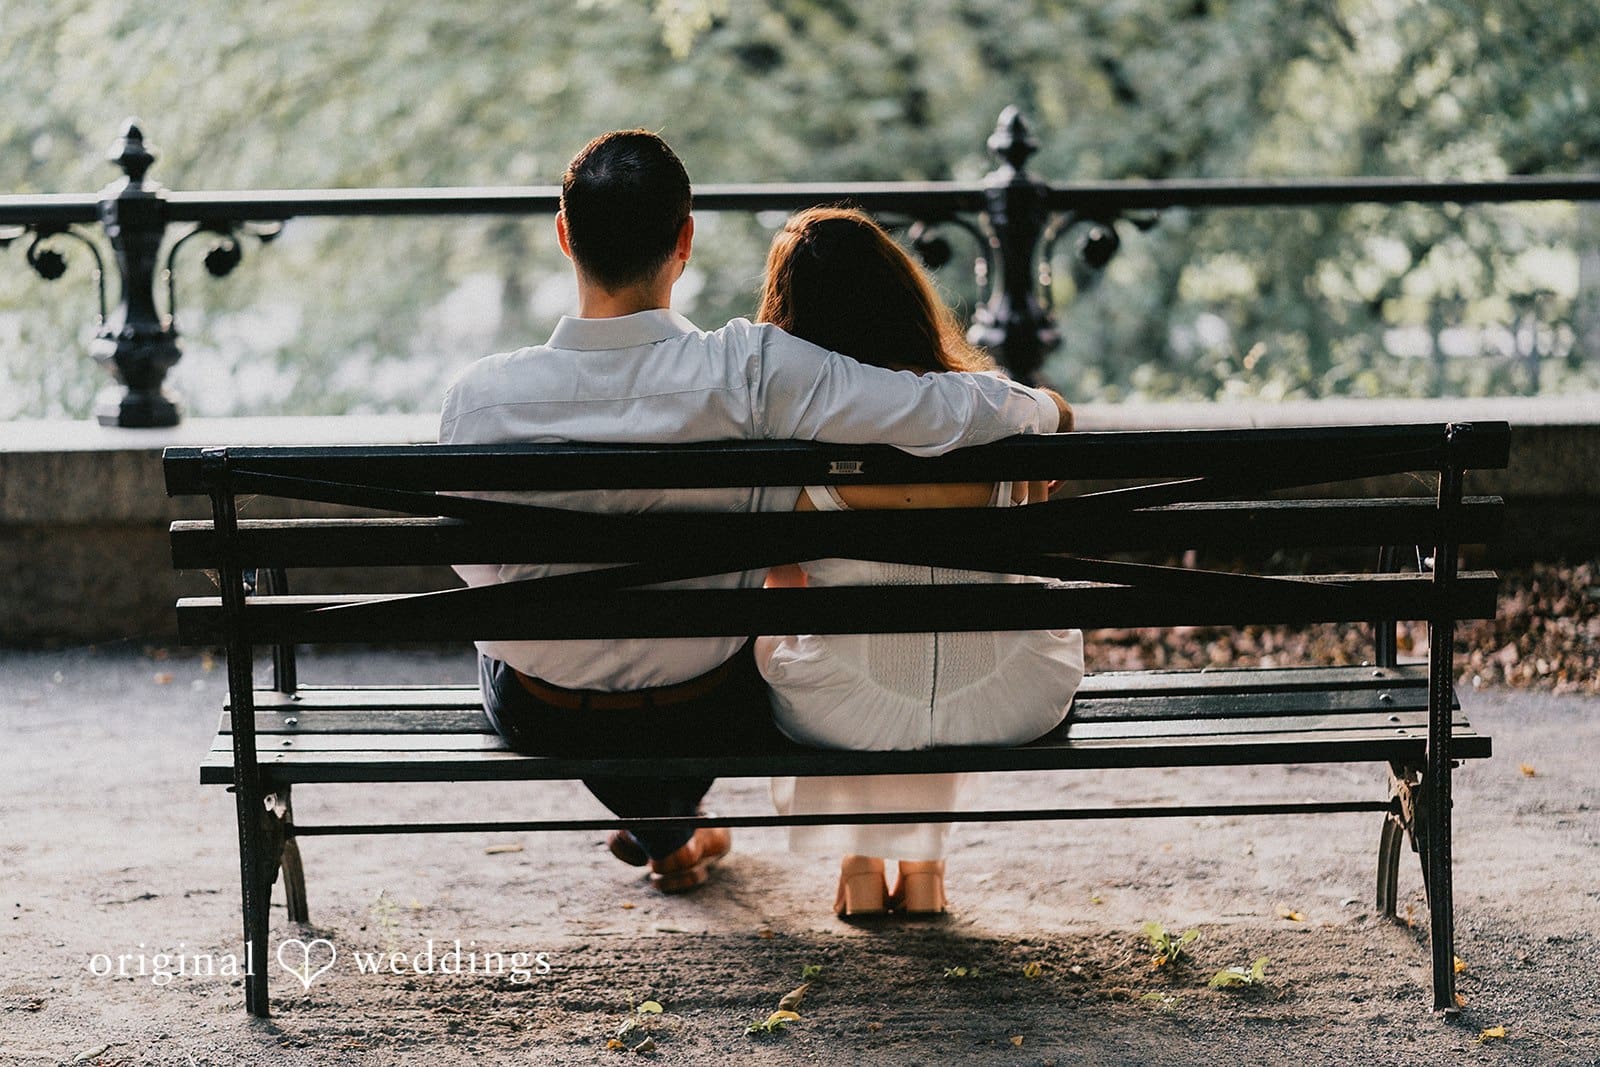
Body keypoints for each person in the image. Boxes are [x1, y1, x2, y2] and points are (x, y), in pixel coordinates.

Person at [438, 131, 1072, 895]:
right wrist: (1039, 406)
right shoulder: (750, 368)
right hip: (701, 706)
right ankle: (673, 829)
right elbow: (931, 409)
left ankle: (668, 834)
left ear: (564, 233)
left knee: (526, 645)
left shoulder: (481, 396)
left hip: (542, 711)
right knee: (732, 633)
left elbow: (479, 571)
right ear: (686, 239)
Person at [753, 207, 1086, 916]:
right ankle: (927, 871)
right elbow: (1058, 411)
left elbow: (786, 597)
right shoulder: (991, 409)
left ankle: (862, 864)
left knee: (817, 646)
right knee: (944, 636)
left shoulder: (787, 436)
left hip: (846, 711)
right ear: (907, 297)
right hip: (1009, 695)